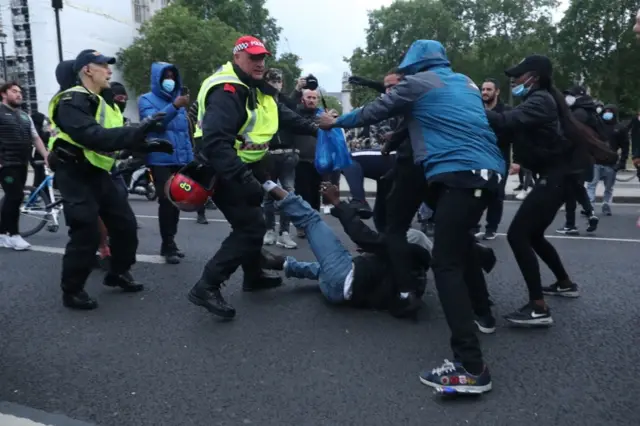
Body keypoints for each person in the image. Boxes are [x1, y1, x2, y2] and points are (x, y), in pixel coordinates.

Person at [317, 40, 504, 394]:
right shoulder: (462, 81)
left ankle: (471, 367)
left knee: (445, 264)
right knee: (459, 245)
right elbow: (439, 117)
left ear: (415, 67)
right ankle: (483, 312)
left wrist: (334, 121)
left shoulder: (419, 82)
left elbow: (375, 109)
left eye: (405, 72)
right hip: (488, 173)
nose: (402, 78)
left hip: (457, 173)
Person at [186, 36, 319, 320]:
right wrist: (243, 178)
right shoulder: (228, 89)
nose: (259, 63)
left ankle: (253, 275)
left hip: (246, 165)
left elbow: (285, 116)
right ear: (237, 58)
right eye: (253, 58)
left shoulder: (257, 88)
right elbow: (216, 143)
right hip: (222, 168)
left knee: (250, 224)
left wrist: (320, 130)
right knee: (250, 227)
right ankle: (206, 286)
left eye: (262, 58)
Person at [48, 49, 172, 310]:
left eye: (108, 65)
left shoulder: (102, 101)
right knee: (86, 231)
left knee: (125, 226)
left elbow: (115, 141)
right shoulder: (71, 100)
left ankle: (117, 273)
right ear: (87, 70)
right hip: (73, 171)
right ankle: (72, 291)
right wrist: (139, 130)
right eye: (102, 65)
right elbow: (93, 135)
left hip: (98, 171)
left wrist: (148, 145)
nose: (109, 70)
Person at [485, 55, 603, 327]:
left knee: (517, 235)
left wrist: (468, 108)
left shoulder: (540, 100)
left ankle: (538, 307)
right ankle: (564, 283)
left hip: (558, 176)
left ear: (533, 76)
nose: (514, 80)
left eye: (518, 75)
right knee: (534, 234)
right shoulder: (542, 98)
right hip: (560, 175)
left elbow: (506, 121)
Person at [259, 181, 430, 317]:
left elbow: (362, 236)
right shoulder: (413, 279)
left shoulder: (406, 250)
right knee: (327, 268)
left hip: (344, 276)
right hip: (338, 294)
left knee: (311, 219)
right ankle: (283, 264)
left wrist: (337, 202)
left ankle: (266, 182)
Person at [139, 62, 193, 264]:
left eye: (172, 76)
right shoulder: (146, 100)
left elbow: (185, 134)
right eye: (165, 76)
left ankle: (170, 242)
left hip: (180, 160)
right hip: (160, 159)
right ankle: (167, 244)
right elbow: (155, 124)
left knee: (177, 201)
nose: (169, 80)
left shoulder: (179, 101)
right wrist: (175, 106)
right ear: (157, 79)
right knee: (166, 200)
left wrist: (190, 160)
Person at [0, 82, 49, 251]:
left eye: (20, 92)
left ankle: (3, 234)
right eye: (14, 91)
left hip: (22, 163)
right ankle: (14, 235)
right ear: (4, 94)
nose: (19, 94)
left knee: (12, 197)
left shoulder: (24, 116)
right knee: (15, 196)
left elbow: (36, 138)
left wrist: (46, 155)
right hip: (5, 163)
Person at [261, 68, 299, 249]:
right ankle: (270, 230)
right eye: (271, 80)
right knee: (269, 193)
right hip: (268, 153)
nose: (275, 83)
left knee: (288, 192)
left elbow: (295, 115)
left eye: (278, 80)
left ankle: (284, 232)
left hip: (288, 153)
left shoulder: (286, 102)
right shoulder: (259, 101)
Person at [558, 85, 599, 234]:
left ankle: (570, 224)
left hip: (575, 158)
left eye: (570, 95)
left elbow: (569, 134)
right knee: (577, 189)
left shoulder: (578, 113)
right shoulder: (589, 112)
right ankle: (590, 214)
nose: (567, 98)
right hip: (585, 157)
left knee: (571, 191)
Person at [475, 78, 512, 240]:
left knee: (496, 194)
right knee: (475, 192)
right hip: (477, 156)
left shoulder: (506, 111)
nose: (485, 92)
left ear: (496, 92)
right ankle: (473, 224)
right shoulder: (475, 108)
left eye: (488, 89)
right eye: (483, 89)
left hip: (499, 157)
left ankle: (491, 227)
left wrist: (516, 161)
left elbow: (513, 134)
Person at [586, 104, 629, 215]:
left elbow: (625, 147)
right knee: (591, 185)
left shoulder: (620, 128)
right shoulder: (597, 126)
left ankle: (606, 204)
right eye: (605, 111)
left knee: (609, 187)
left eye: (610, 111)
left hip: (611, 163)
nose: (607, 114)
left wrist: (622, 162)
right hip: (596, 161)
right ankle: (590, 206)